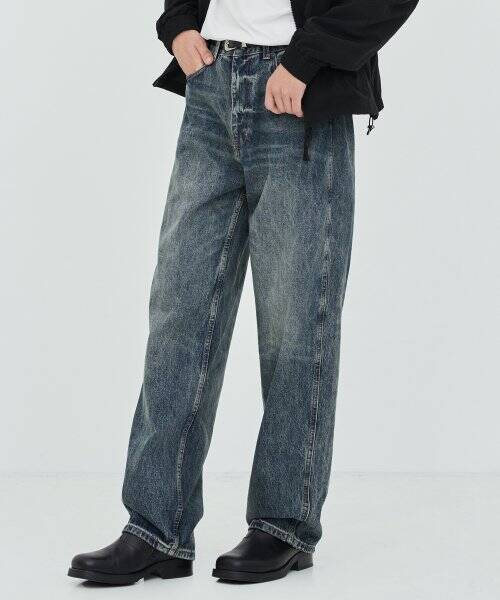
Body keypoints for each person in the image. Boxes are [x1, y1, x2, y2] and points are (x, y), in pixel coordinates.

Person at [68, 0, 418, 585]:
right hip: (212, 83)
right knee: (179, 316)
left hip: (297, 91)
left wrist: (306, 60)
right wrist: (179, 24)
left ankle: (285, 525)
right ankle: (156, 530)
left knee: (294, 324)